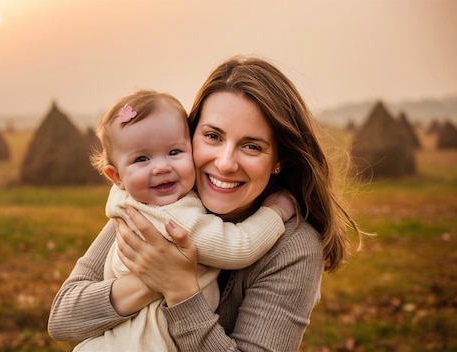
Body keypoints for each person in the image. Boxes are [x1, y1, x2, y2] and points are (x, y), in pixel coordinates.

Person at [48, 56, 366, 351]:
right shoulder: (157, 202)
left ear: (278, 159)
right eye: (213, 136)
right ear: (191, 135)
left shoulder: (293, 246)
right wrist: (156, 280)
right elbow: (63, 318)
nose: (225, 163)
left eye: (252, 146)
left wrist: (182, 291)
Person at [74, 89, 294, 351]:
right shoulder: (171, 216)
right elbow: (239, 246)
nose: (161, 167)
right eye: (142, 158)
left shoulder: (133, 200)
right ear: (116, 176)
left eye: (174, 152)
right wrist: (275, 213)